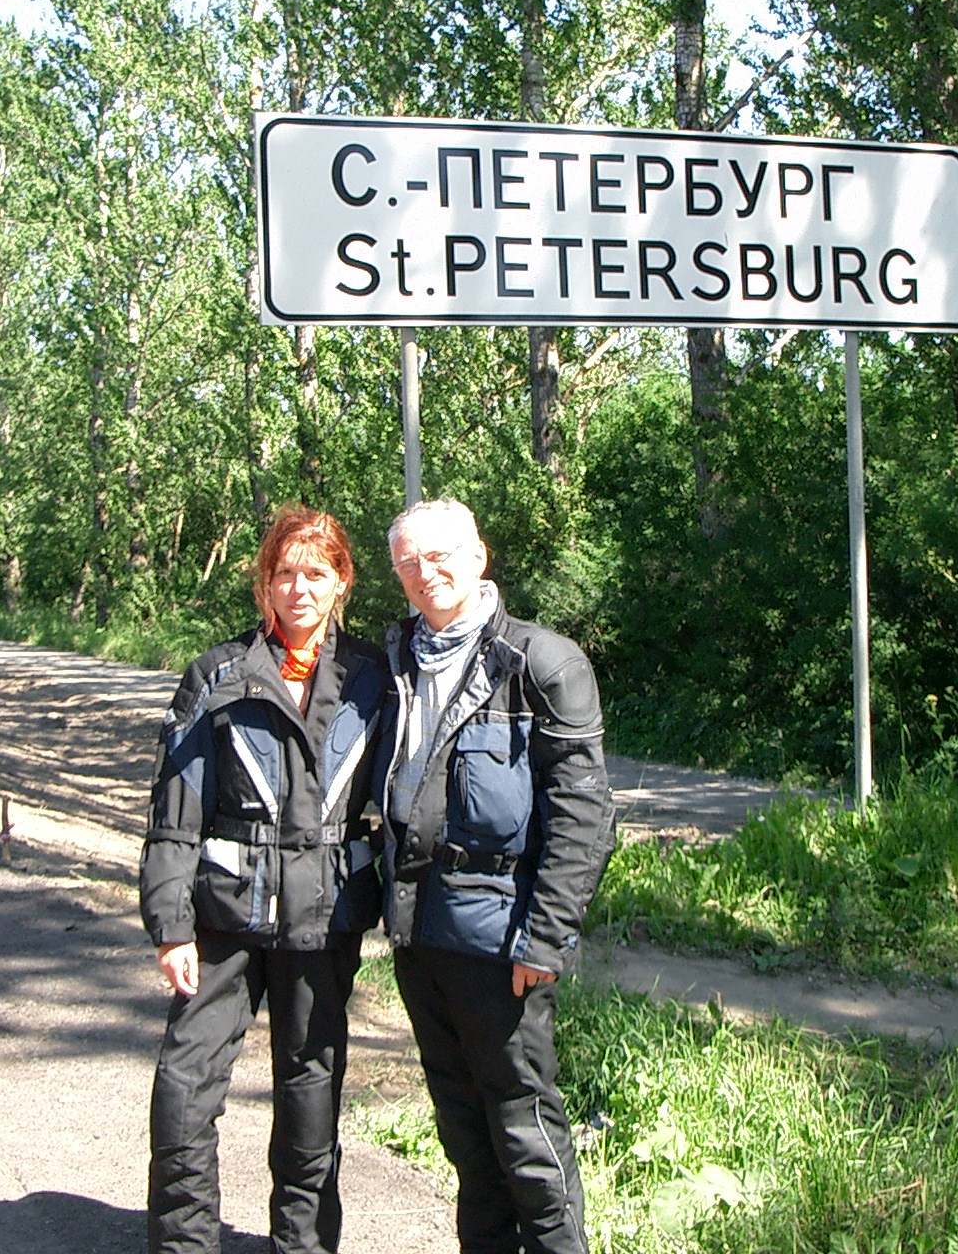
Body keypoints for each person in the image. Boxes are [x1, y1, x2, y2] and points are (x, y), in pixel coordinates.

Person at [140, 506, 391, 1254]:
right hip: (223, 916)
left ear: (341, 581)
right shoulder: (218, 675)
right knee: (185, 1086)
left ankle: (304, 1245)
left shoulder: (373, 678)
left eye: (316, 572)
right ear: (264, 584)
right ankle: (185, 1243)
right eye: (285, 573)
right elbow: (174, 810)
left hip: (324, 918)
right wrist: (170, 924)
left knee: (310, 1093)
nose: (299, 588)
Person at [378, 499, 614, 1254]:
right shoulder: (391, 663)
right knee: (463, 1133)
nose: (427, 572)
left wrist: (544, 941)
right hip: (419, 936)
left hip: (504, 942)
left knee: (524, 1131)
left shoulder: (540, 663)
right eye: (410, 562)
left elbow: (585, 819)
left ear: (479, 556)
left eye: (441, 555)